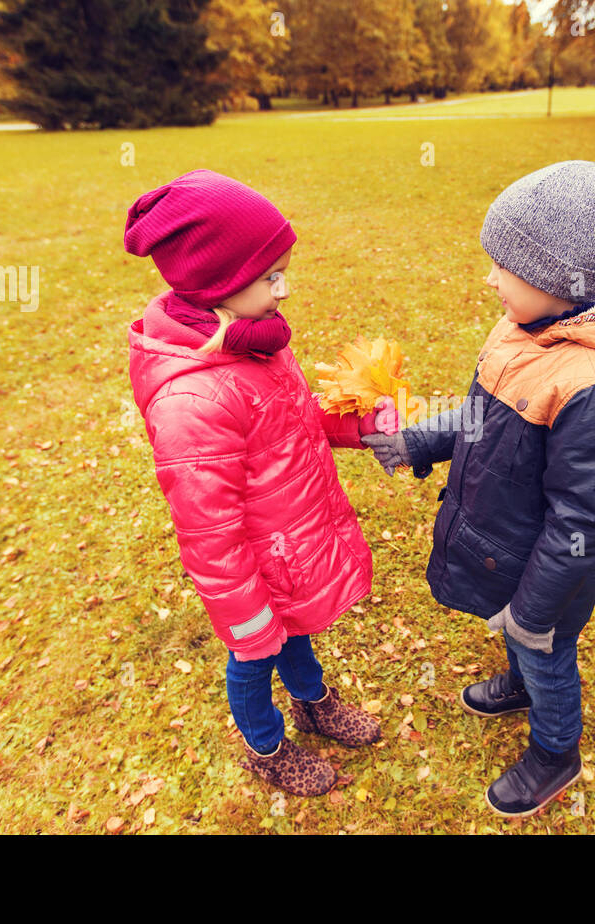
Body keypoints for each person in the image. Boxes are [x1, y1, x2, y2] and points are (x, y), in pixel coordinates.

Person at [363, 160, 595, 817]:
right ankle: (520, 678)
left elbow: (578, 524)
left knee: (543, 648)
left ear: (558, 280)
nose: (490, 278)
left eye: (506, 267)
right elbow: (480, 416)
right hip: (503, 546)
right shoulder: (524, 329)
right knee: (512, 627)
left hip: (549, 570)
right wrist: (417, 443)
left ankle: (556, 751)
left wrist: (536, 611)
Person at [125, 169, 399, 797]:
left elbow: (292, 417)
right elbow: (208, 533)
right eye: (271, 277)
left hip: (290, 545)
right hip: (249, 566)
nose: (286, 289)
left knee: (297, 630)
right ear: (219, 285)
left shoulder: (254, 342)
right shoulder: (191, 401)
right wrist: (243, 614)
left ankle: (313, 700)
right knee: (255, 654)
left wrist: (362, 424)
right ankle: (266, 747)